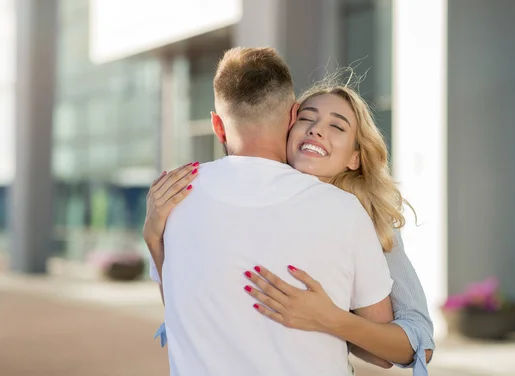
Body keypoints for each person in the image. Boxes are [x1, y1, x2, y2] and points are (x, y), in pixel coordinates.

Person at [145, 46, 402, 376]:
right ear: (293, 116)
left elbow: (185, 317)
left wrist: (154, 239)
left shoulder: (171, 198)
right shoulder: (345, 211)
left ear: (217, 126)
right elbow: (383, 354)